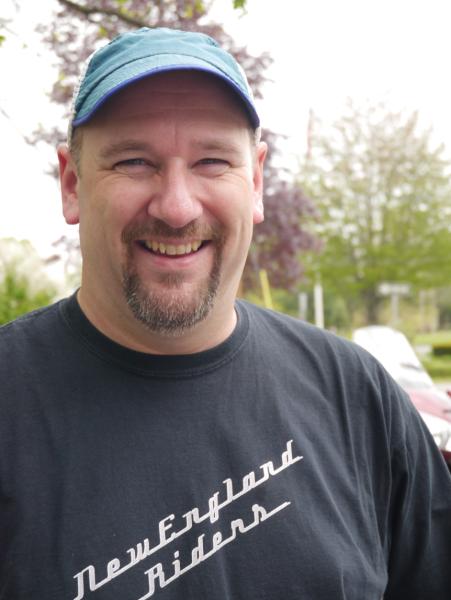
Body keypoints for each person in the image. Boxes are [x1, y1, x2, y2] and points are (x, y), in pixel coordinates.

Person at [0, 27, 450, 600]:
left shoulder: (357, 397)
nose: (177, 207)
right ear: (71, 183)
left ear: (255, 181)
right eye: (134, 161)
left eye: (212, 161)